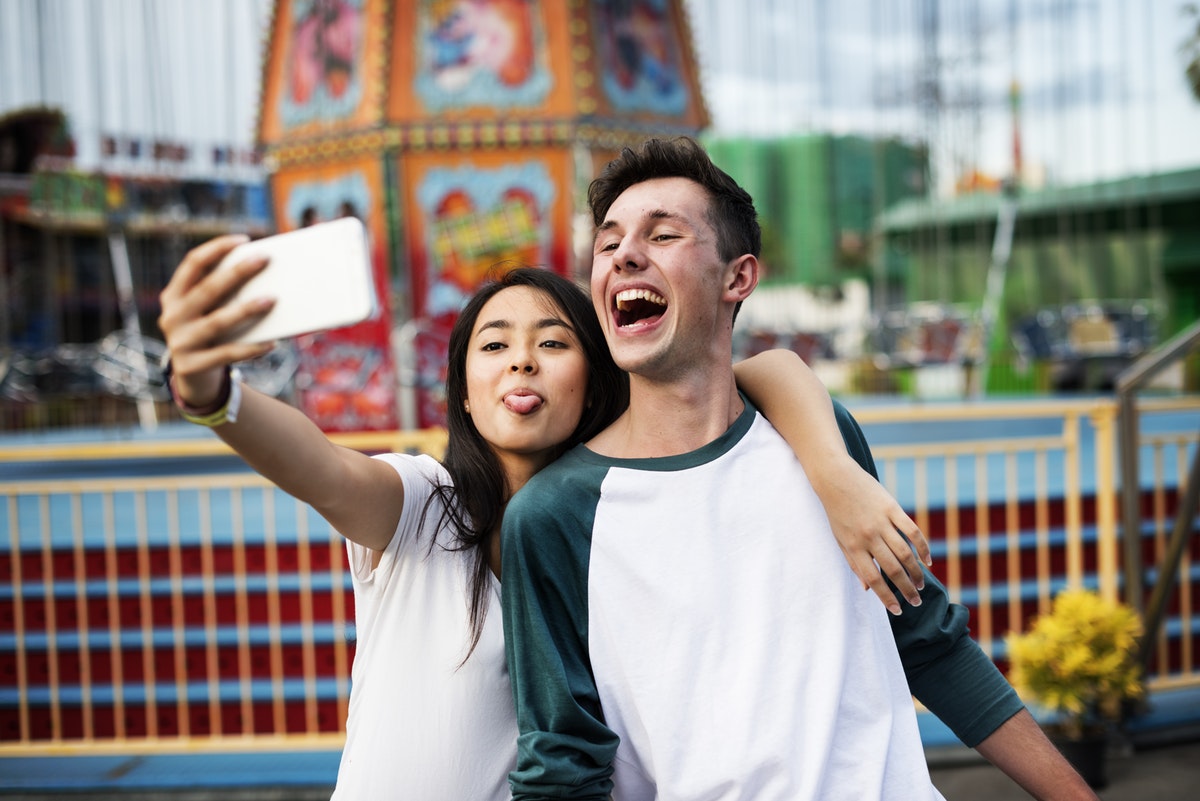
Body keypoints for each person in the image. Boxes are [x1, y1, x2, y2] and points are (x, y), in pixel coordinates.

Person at [157, 238, 931, 799]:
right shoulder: (422, 506)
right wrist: (211, 394)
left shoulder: (618, 530)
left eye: (552, 341)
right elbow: (321, 467)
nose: (521, 360)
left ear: (595, 379)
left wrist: (834, 471)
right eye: (494, 345)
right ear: (463, 390)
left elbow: (760, 374)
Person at [500, 137, 1101, 801]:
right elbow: (561, 760)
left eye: (662, 233)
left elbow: (926, 640)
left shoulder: (821, 444)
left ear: (739, 277)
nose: (624, 255)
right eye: (608, 243)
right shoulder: (554, 515)